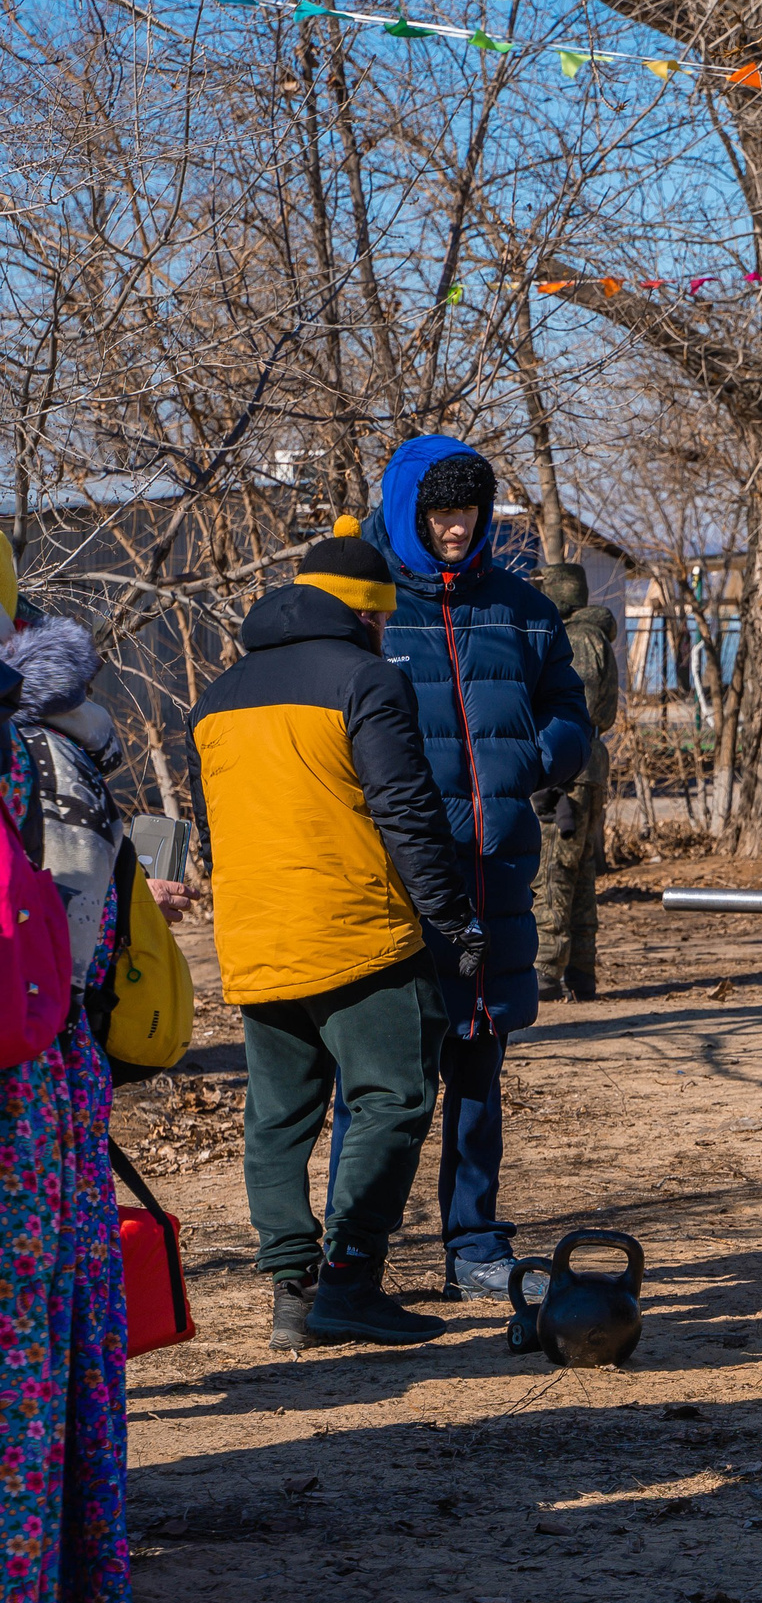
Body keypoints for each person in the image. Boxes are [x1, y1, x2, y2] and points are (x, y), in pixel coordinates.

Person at [191, 521, 484, 1349]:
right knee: (392, 1097)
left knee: (279, 1117)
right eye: (381, 615)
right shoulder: (365, 679)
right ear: (362, 610)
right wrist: (452, 918)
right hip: (361, 935)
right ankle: (350, 1279)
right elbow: (406, 810)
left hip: (255, 937)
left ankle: (293, 1290)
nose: (386, 630)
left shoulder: (216, 697)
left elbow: (214, 831)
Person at [355, 436, 591, 1301]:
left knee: (480, 1058)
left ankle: (475, 1240)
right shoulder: (369, 610)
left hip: (497, 872)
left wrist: (543, 756)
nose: (456, 528)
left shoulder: (524, 608)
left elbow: (570, 705)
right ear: (408, 512)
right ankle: (358, 1256)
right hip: (400, 880)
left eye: (468, 510)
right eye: (439, 511)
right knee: (384, 1075)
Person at [0, 578, 129, 1603]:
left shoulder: (29, 748)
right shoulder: (52, 741)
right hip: (42, 1087)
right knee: (34, 1369)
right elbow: (88, 944)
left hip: (28, 1085)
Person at [533, 562, 618, 1003]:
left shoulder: (571, 639)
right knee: (581, 868)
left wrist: (553, 773)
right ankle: (582, 971)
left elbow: (573, 708)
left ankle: (546, 969)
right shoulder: (596, 636)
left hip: (569, 766)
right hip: (590, 766)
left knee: (553, 868)